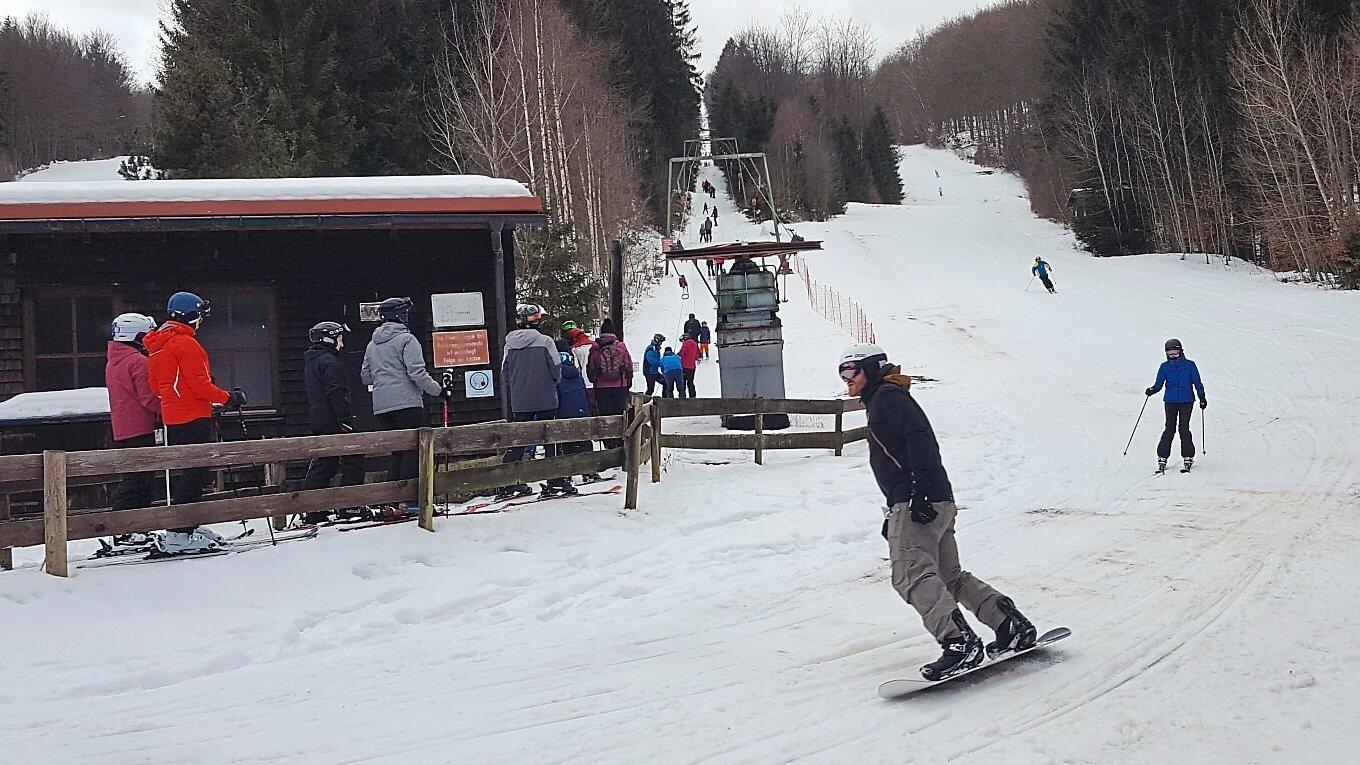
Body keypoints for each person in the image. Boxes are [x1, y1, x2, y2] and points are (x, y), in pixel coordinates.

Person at [840, 343, 1036, 681]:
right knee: (948, 576)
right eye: (842, 372)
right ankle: (1009, 625)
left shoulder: (886, 397)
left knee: (910, 576)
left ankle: (959, 643)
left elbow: (921, 439)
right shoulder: (888, 397)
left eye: (852, 370)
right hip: (934, 498)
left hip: (918, 500)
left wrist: (916, 494)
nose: (846, 378)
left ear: (872, 368)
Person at [145, 292, 244, 555]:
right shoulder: (186, 344)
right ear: (190, 316)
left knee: (189, 472)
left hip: (173, 418)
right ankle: (180, 532)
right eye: (199, 316)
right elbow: (200, 386)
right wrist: (229, 398)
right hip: (194, 416)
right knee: (196, 474)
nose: (201, 321)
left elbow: (155, 386)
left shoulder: (158, 345)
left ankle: (187, 525)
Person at [361, 297, 444, 492]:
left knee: (397, 451)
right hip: (407, 403)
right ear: (400, 316)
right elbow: (417, 373)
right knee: (414, 450)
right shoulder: (407, 340)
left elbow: (365, 377)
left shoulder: (372, 345)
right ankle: (409, 498)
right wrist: (438, 390)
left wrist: (384, 377)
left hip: (382, 408)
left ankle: (393, 497)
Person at [103, 313, 161, 553]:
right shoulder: (138, 362)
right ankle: (124, 528)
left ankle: (132, 528)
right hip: (140, 426)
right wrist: (168, 408)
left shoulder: (114, 361)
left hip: (123, 427)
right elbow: (148, 398)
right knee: (139, 480)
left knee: (134, 478)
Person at [499, 303, 570, 499]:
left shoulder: (509, 344)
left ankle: (508, 482)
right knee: (550, 440)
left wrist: (516, 389)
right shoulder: (546, 342)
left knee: (518, 440)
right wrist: (553, 382)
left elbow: (505, 372)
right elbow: (556, 368)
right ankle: (555, 480)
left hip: (520, 400)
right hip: (546, 397)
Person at [302, 321, 365, 523]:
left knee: (325, 461)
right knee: (353, 457)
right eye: (339, 339)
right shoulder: (329, 361)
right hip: (333, 419)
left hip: (319, 418)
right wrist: (344, 419)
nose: (342, 344)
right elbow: (335, 391)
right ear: (329, 339)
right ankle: (349, 504)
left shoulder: (313, 361)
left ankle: (313, 508)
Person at [1145, 338, 1206, 473]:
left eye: (1175, 353)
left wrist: (1202, 396)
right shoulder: (1164, 367)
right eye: (1170, 353)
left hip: (1186, 401)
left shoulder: (1190, 365)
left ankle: (1188, 456)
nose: (1173, 355)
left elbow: (1197, 382)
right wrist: (1152, 390)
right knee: (1169, 428)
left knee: (1183, 428)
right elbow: (1159, 384)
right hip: (1170, 401)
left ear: (1180, 351)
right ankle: (1162, 456)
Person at [554, 340, 596, 486]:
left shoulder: (555, 374)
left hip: (563, 413)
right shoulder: (576, 373)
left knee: (565, 443)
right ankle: (588, 470)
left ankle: (566, 473)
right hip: (581, 411)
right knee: (584, 441)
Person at [587, 330, 633, 449]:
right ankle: (621, 443)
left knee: (606, 416)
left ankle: (609, 444)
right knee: (620, 415)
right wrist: (628, 381)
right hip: (620, 386)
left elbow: (591, 367)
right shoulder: (621, 346)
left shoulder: (595, 348)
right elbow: (628, 365)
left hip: (602, 388)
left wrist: (594, 380)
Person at [679, 333, 700, 398]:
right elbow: (697, 356)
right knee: (690, 382)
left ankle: (683, 397)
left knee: (683, 382)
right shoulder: (695, 344)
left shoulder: (685, 344)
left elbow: (681, 353)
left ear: (685, 338)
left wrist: (675, 356)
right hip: (692, 367)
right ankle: (692, 396)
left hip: (684, 366)